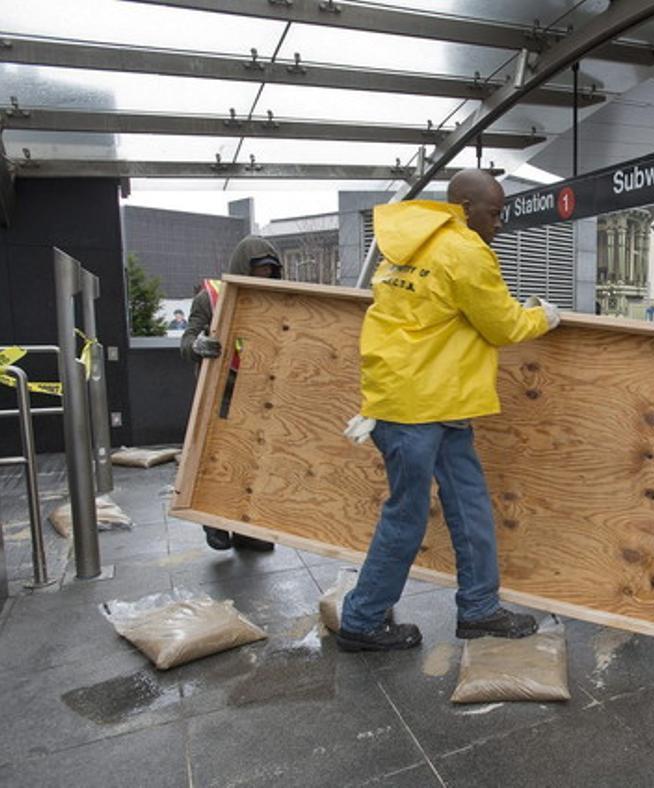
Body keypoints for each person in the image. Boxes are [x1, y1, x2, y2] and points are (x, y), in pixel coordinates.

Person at [336, 170, 560, 653]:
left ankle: (479, 608)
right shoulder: (464, 250)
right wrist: (545, 315)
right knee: (408, 515)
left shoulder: (409, 243)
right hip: (418, 406)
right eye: (495, 213)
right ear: (463, 205)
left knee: (470, 504)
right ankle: (362, 620)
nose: (500, 224)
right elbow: (502, 325)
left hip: (429, 400)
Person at [180, 235, 283, 552]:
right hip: (220, 394)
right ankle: (215, 523)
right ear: (244, 268)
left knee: (251, 464)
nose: (264, 276)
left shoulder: (277, 300)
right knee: (217, 461)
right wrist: (199, 345)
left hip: (257, 394)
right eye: (259, 270)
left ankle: (246, 530)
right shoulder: (210, 298)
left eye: (270, 271)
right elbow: (187, 341)